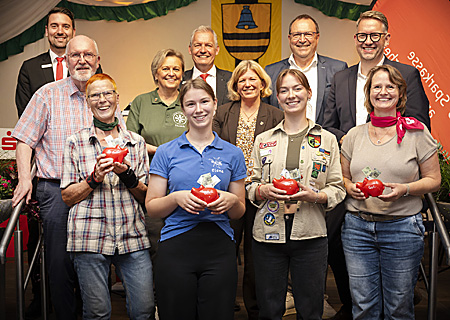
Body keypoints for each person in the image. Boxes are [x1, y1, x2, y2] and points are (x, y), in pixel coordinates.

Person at [12, 35, 122, 320]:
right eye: (75, 55)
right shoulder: (47, 95)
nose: (82, 60)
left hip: (98, 189)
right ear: (66, 60)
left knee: (97, 260)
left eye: (88, 55)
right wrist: (25, 179)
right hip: (55, 189)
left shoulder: (106, 94)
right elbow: (23, 139)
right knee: (60, 264)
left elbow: (121, 139)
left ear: (97, 60)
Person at [340, 64, 440, 319]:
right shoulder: (353, 135)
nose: (383, 92)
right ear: (369, 93)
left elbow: (433, 180)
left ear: (400, 93)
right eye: (377, 86)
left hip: (402, 229)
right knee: (363, 307)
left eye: (390, 87)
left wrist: (405, 189)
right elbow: (342, 177)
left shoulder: (416, 132)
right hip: (357, 230)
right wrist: (350, 187)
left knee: (399, 307)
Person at [247, 69, 345, 319]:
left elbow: (337, 187)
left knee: (310, 309)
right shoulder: (263, 140)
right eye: (284, 90)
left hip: (311, 235)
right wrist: (261, 190)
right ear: (277, 97)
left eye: (297, 88)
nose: (291, 95)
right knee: (269, 309)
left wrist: (316, 196)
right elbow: (250, 185)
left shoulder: (327, 140)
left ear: (309, 93)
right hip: (268, 235)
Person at [145, 78, 246, 320]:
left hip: (219, 246)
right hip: (176, 245)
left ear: (215, 103)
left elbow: (239, 210)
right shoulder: (165, 152)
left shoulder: (233, 154)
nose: (198, 109)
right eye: (190, 104)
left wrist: (231, 201)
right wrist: (176, 198)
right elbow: (152, 207)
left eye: (204, 102)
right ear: (183, 109)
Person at [60, 73, 155, 319]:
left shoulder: (136, 143)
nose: (102, 100)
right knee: (97, 313)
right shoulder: (75, 142)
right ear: (87, 102)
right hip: (89, 236)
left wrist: (127, 175)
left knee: (144, 310)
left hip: (132, 236)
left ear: (117, 98)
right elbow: (68, 197)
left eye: (107, 94)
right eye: (95, 95)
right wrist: (94, 178)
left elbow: (147, 197)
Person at [14, 7, 77, 318]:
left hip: (83, 175)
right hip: (49, 173)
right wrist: (27, 176)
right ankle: (43, 301)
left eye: (66, 26)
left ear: (73, 32)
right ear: (47, 31)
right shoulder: (30, 67)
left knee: (80, 249)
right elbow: (26, 122)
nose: (60, 31)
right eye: (55, 26)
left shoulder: (87, 66)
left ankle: (76, 303)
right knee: (50, 248)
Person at [213, 59, 283, 320]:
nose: (248, 83)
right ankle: (223, 304)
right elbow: (216, 150)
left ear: (263, 83)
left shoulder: (275, 115)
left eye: (253, 79)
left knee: (257, 256)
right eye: (242, 79)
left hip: (261, 193)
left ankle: (255, 308)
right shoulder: (223, 112)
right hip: (229, 191)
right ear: (235, 85)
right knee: (225, 251)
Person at [126, 48, 186, 262]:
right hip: (151, 183)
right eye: (166, 68)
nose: (171, 73)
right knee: (155, 241)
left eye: (176, 69)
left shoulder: (189, 100)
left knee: (183, 241)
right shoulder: (141, 102)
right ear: (156, 74)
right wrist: (158, 150)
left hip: (185, 182)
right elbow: (129, 139)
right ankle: (154, 292)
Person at [264, 14, 347, 125]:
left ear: (317, 38)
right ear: (289, 39)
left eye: (308, 34)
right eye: (296, 35)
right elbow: (266, 114)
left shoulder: (338, 69)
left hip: (325, 139)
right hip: (283, 140)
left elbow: (344, 113)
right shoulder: (271, 72)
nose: (302, 40)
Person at [184, 25, 231, 106]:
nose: (203, 50)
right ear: (190, 49)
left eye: (208, 45)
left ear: (216, 50)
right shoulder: (179, 80)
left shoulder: (231, 80)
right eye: (197, 45)